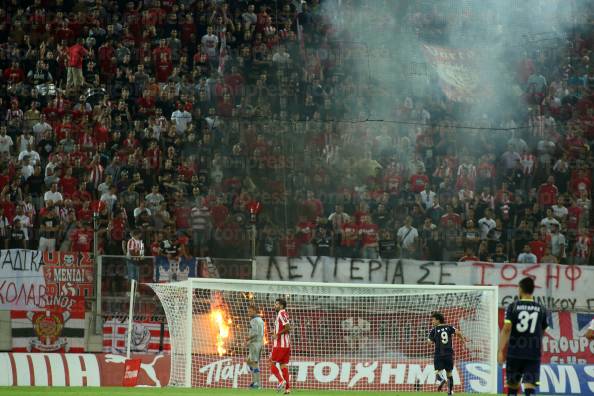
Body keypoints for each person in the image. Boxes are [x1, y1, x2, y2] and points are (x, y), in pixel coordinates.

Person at [498, 277, 548, 396]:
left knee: (512, 388)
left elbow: (506, 329)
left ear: (520, 289)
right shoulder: (541, 308)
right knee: (530, 387)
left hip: (515, 353)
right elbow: (543, 330)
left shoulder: (513, 306)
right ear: (532, 290)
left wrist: (500, 350)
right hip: (533, 354)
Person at [427, 311, 467, 396]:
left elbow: (429, 342)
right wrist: (462, 340)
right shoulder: (449, 327)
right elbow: (458, 332)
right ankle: (450, 392)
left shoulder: (434, 330)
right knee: (449, 373)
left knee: (438, 372)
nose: (432, 322)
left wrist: (434, 340)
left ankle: (441, 380)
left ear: (438, 320)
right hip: (449, 354)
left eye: (433, 320)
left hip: (439, 354)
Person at [270, 297, 291, 394]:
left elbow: (288, 328)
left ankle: (281, 381)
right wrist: (275, 332)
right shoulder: (284, 313)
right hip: (286, 345)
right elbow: (285, 327)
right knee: (283, 365)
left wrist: (276, 334)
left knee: (271, 362)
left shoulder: (281, 313)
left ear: (281, 306)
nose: (275, 306)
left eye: (276, 304)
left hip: (279, 345)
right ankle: (287, 389)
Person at [246, 304, 265, 389]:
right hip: (259, 343)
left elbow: (255, 332)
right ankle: (254, 381)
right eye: (248, 311)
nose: (248, 312)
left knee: (254, 363)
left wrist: (248, 338)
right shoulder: (260, 319)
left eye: (250, 311)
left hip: (255, 344)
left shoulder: (254, 320)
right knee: (249, 361)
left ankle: (257, 384)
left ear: (254, 311)